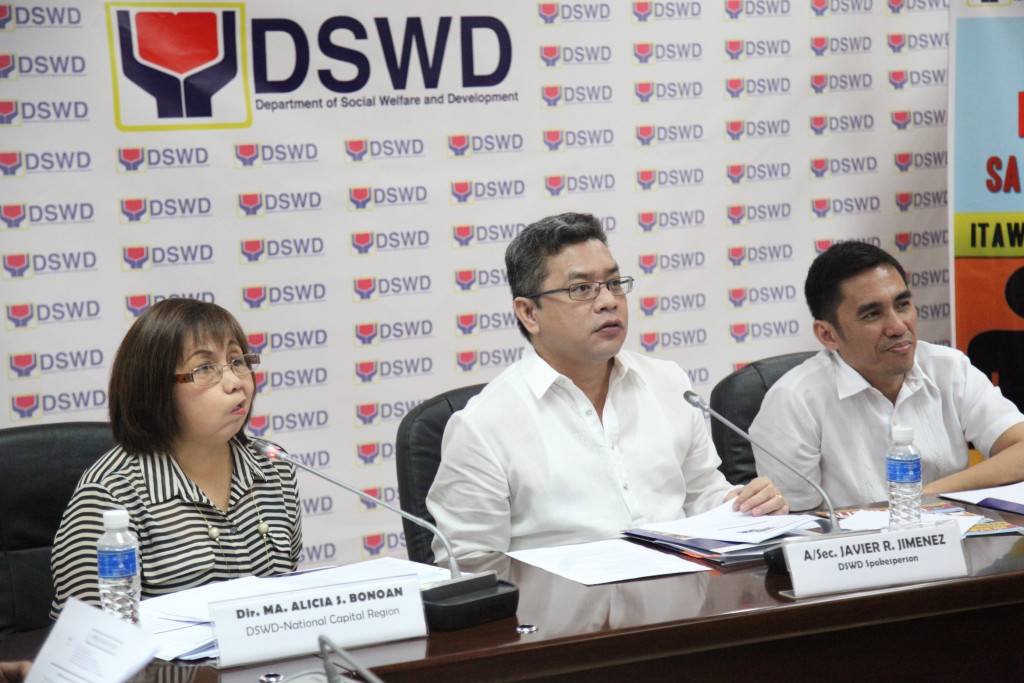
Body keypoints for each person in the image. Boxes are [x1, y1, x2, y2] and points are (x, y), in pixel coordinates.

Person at [426, 212, 788, 561]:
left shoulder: (668, 383)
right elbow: (468, 565)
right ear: (529, 313)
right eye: (581, 288)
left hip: (683, 604)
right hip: (565, 619)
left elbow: (703, 495)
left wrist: (746, 508)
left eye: (614, 283)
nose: (608, 301)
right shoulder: (483, 426)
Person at [50, 299, 302, 617]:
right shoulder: (110, 494)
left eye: (238, 361)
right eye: (205, 368)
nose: (235, 382)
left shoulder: (274, 468)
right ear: (155, 388)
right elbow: (88, 640)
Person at [749, 242, 1024, 509]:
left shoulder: (949, 368)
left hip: (957, 546)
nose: (897, 326)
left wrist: (925, 496)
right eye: (872, 314)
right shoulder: (794, 400)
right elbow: (790, 521)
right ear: (828, 334)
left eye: (902, 305)